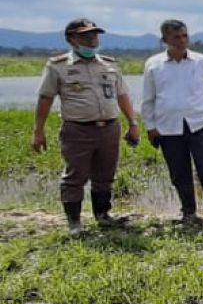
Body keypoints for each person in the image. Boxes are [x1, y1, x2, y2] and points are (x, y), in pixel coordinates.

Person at [32, 19, 140, 234]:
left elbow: (122, 95)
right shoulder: (58, 66)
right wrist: (38, 131)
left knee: (105, 175)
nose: (91, 40)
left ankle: (103, 215)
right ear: (71, 39)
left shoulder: (109, 64)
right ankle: (74, 222)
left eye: (94, 35)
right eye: (85, 36)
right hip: (78, 130)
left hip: (109, 128)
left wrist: (132, 123)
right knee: (76, 175)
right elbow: (45, 98)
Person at [142, 20, 203, 224]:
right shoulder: (153, 65)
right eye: (176, 37)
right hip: (168, 126)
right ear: (164, 40)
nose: (182, 40)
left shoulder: (202, 61)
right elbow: (148, 99)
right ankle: (188, 211)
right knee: (179, 170)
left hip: (199, 122)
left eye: (185, 35)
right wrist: (150, 126)